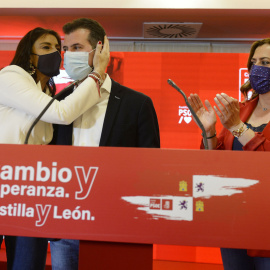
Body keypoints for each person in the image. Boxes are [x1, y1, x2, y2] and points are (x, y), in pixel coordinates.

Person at [49, 18, 160, 270]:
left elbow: (150, 167)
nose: (68, 55)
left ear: (100, 49)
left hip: (114, 225)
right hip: (66, 226)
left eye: (76, 47)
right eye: (66, 49)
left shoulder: (137, 104)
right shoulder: (60, 103)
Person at [0, 27, 109, 269]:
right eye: (46, 47)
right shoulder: (11, 76)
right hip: (4, 184)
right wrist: (98, 73)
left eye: (58, 49)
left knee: (28, 263)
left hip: (29, 194)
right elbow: (62, 113)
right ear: (29, 55)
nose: (56, 53)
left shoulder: (48, 91)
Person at [188, 38, 270, 269]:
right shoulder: (242, 110)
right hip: (234, 221)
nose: (257, 69)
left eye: (265, 62)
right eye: (254, 62)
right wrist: (210, 131)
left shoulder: (236, 119)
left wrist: (238, 128)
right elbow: (216, 163)